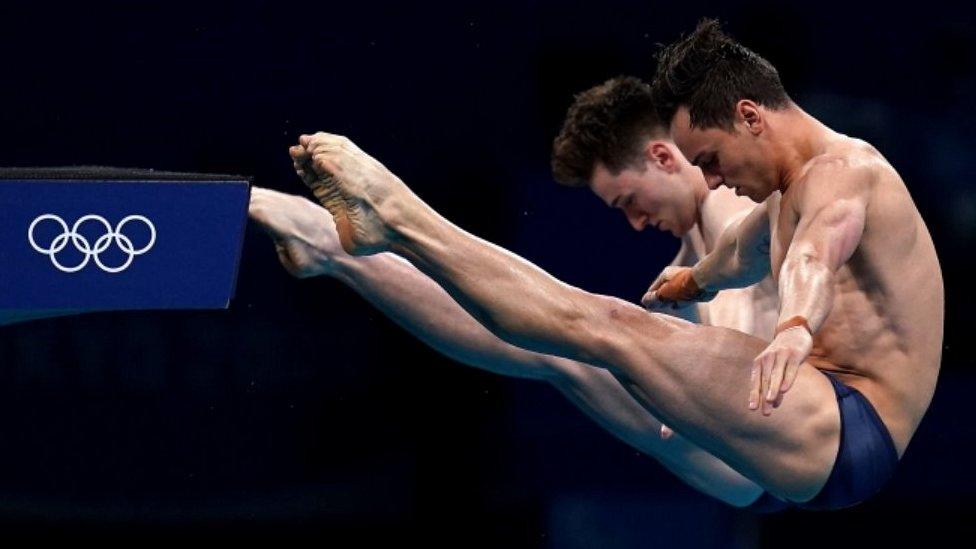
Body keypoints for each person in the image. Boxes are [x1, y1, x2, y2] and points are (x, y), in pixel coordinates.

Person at [285, 20, 942, 511]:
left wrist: (795, 325)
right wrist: (694, 281)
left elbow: (815, 254)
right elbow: (740, 255)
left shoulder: (842, 174)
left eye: (709, 158)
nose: (710, 178)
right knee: (565, 345)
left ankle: (398, 218)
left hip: (847, 426)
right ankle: (329, 245)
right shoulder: (778, 194)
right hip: (792, 440)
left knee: (596, 327)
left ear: (749, 117)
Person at [250, 76, 780, 509]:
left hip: (763, 452)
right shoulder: (688, 258)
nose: (637, 222)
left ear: (664, 158)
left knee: (568, 341)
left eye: (627, 200)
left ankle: (338, 240)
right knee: (554, 341)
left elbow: (746, 332)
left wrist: (701, 396)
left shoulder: (724, 211)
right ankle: (335, 250)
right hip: (753, 467)